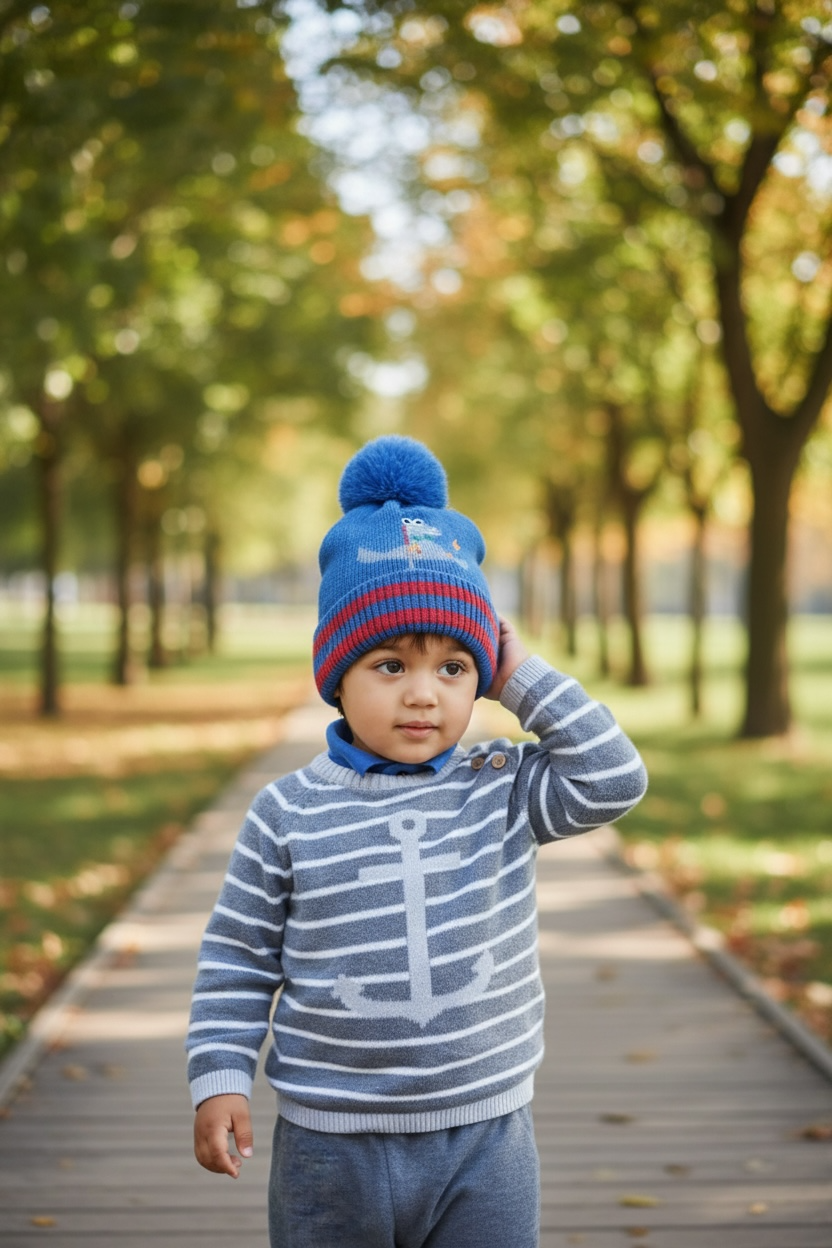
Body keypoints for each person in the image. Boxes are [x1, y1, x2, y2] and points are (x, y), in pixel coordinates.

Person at [186, 435, 647, 1248]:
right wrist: (220, 1078)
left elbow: (613, 778)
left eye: (454, 668)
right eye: (391, 666)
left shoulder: (501, 787)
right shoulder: (287, 812)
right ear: (337, 674)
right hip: (329, 1143)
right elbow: (238, 956)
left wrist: (520, 674)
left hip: (487, 1138)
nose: (425, 695)